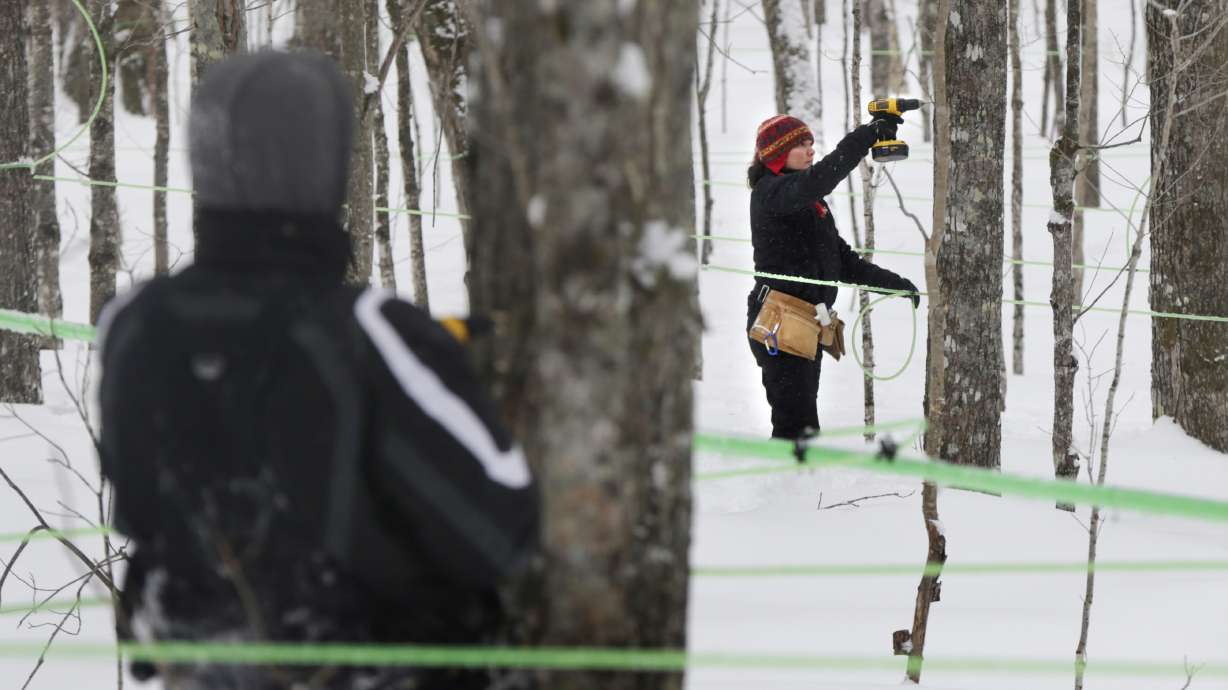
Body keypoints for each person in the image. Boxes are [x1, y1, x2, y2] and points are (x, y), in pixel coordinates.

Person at [96, 52, 538, 689]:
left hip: (196, 664)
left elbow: (139, 505)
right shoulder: (369, 330)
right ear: (325, 161)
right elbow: (501, 527)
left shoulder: (133, 323)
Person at [746, 114, 920, 440]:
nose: (810, 149)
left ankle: (796, 483)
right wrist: (867, 136)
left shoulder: (810, 203)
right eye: (801, 144)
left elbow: (844, 262)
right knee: (795, 430)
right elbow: (820, 178)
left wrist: (895, 285)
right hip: (779, 321)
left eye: (811, 143)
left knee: (802, 426)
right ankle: (785, 485)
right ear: (776, 153)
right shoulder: (771, 192)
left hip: (806, 322)